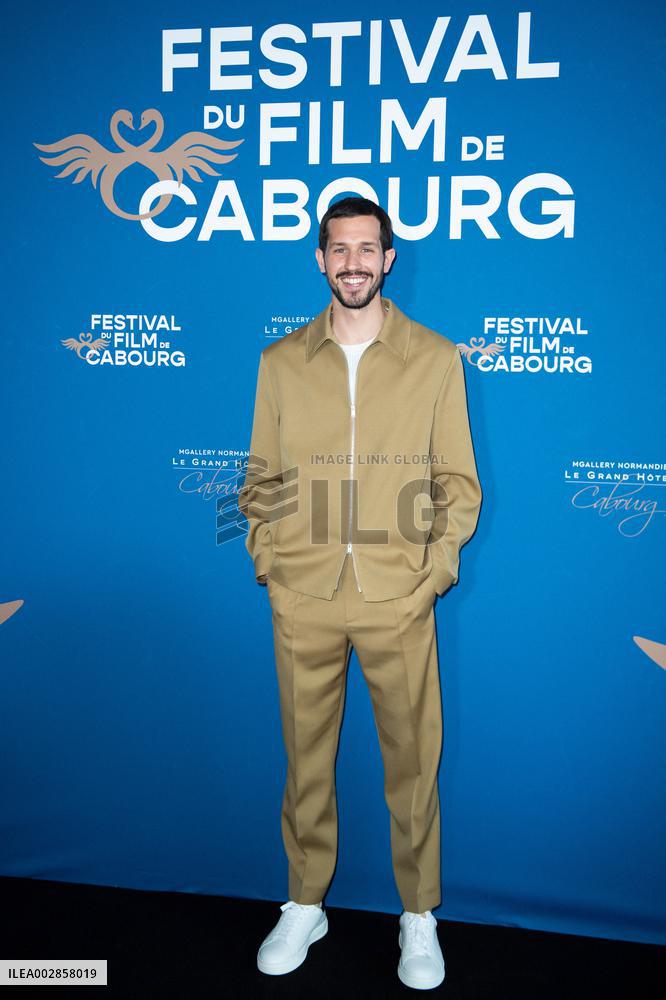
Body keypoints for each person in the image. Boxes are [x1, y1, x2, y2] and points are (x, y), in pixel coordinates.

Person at [238, 196, 482, 990]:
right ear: (320, 259)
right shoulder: (280, 363)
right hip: (303, 599)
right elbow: (260, 482)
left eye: (366, 249)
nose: (353, 262)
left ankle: (419, 915)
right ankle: (305, 901)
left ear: (388, 258)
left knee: (414, 765)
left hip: (398, 600)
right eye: (338, 249)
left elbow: (458, 485)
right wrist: (271, 563)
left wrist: (431, 573)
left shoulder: (436, 358)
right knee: (305, 762)